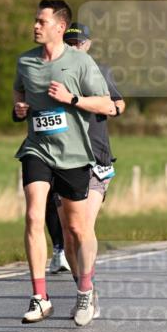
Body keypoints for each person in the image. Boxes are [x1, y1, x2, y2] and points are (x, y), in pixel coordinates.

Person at [12, 0, 114, 326]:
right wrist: (20, 108)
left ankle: (85, 290)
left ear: (59, 26)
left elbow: (108, 105)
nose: (35, 25)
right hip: (37, 149)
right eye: (35, 20)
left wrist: (72, 99)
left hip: (73, 154)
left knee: (75, 229)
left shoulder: (81, 62)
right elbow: (19, 92)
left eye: (41, 21)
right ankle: (40, 297)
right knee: (32, 215)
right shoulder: (25, 61)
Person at [55, 22, 125, 307]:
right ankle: (85, 287)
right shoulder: (52, 72)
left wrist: (107, 106)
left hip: (96, 159)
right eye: (69, 43)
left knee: (83, 226)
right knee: (69, 235)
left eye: (78, 43)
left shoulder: (99, 71)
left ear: (88, 44)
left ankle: (85, 293)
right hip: (62, 158)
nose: (74, 47)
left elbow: (118, 104)